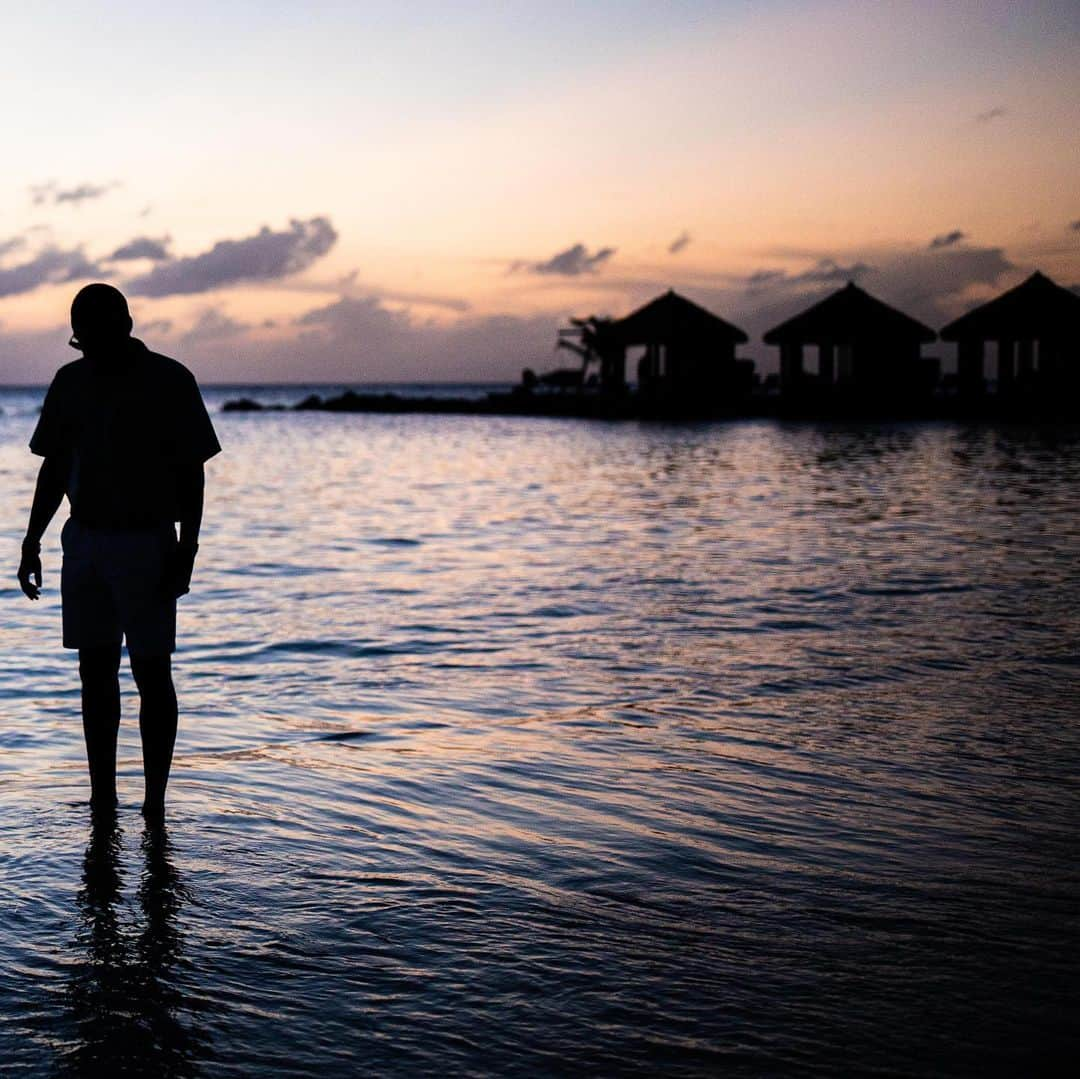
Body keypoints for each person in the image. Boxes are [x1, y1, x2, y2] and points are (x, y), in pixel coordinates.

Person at [17, 283, 221, 818]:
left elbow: (191, 471)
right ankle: (102, 798)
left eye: (95, 334)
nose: (89, 346)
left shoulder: (170, 380)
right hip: (84, 539)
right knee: (95, 670)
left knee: (152, 671)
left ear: (126, 326)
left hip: (148, 541)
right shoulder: (71, 382)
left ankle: (154, 803)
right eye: (83, 338)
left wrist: (187, 549)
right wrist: (32, 539)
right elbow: (54, 467)